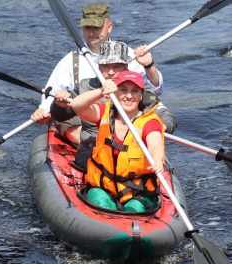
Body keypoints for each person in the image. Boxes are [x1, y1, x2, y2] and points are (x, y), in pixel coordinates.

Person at [31, 2, 164, 142]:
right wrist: (44, 110)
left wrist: (149, 66)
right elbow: (52, 93)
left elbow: (155, 89)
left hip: (124, 121)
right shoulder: (71, 61)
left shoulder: (130, 56)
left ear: (109, 27)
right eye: (87, 28)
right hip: (86, 121)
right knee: (64, 121)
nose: (91, 33)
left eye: (96, 27)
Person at [48, 40, 176, 171]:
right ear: (98, 67)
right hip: (92, 154)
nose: (110, 72)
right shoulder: (85, 86)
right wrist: (59, 105)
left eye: (116, 66)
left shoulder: (137, 92)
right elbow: (61, 115)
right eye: (105, 66)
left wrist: (157, 129)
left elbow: (166, 116)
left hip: (131, 156)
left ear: (126, 67)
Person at [70, 70, 165, 213]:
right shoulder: (104, 113)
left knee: (135, 209)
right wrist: (101, 91)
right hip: (104, 188)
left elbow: (155, 143)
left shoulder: (149, 122)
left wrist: (157, 159)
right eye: (123, 90)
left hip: (138, 192)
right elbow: (77, 106)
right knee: (99, 200)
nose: (129, 96)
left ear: (141, 96)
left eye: (134, 91)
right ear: (115, 93)